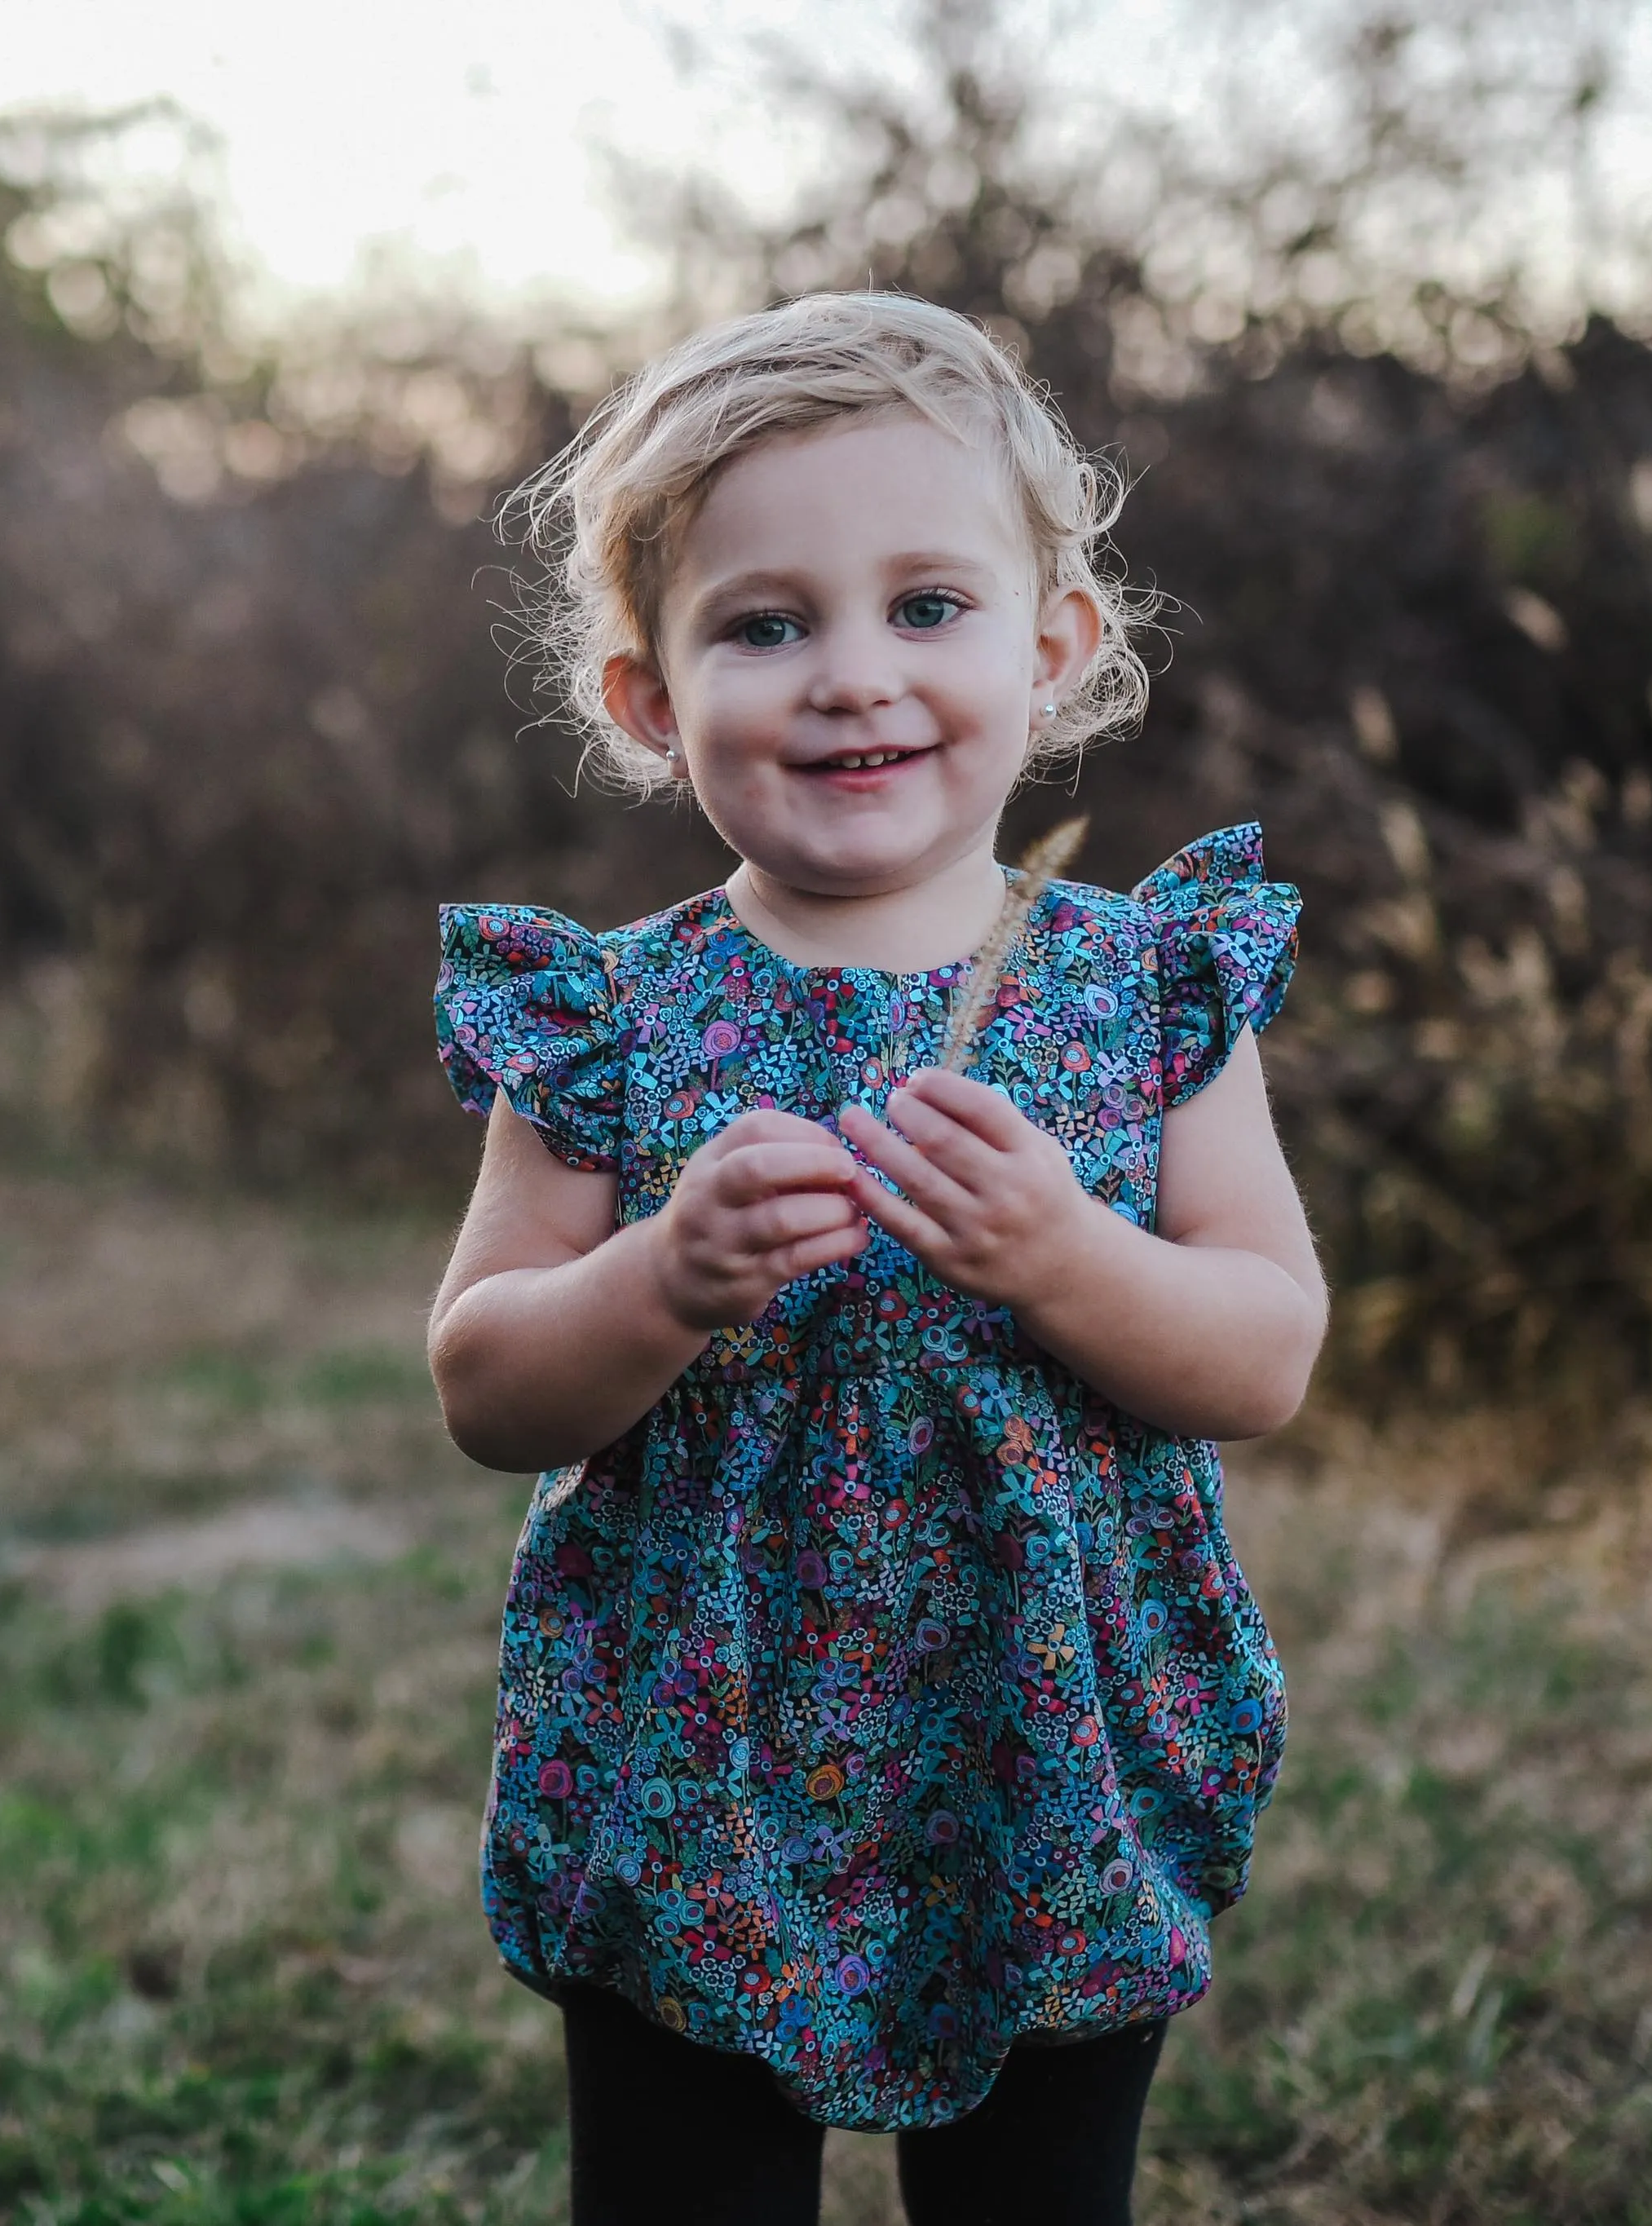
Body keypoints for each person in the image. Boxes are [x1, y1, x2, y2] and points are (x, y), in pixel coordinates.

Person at [425, 293, 1327, 2225]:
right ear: (647, 697)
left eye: (928, 606)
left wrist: (1062, 1254)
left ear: (1051, 648)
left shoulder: (1137, 987)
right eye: (766, 624)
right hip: (698, 1763)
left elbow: (1257, 1356)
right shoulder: (608, 1020)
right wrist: (657, 1279)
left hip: (1046, 1743)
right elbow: (485, 1384)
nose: (853, 676)